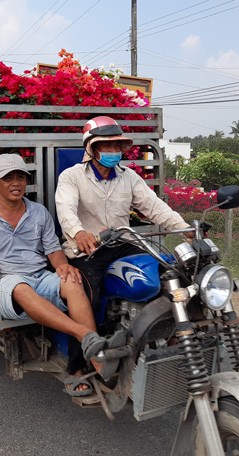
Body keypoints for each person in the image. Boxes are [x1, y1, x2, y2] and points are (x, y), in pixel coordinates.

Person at [0, 153, 113, 396]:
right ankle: (87, 337)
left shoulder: (38, 213)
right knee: (21, 288)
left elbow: (52, 250)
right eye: (8, 178)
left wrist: (62, 266)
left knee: (73, 281)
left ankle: (89, 355)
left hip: (39, 276)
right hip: (4, 281)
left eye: (20, 177)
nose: (16, 183)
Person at [55, 116, 192, 372]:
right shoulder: (71, 177)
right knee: (87, 298)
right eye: (107, 146)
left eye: (117, 146)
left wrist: (183, 227)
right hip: (88, 249)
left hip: (122, 242)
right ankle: (78, 365)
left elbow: (154, 207)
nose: (113, 151)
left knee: (172, 274)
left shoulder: (129, 177)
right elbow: (66, 211)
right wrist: (79, 232)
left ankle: (171, 334)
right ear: (92, 148)